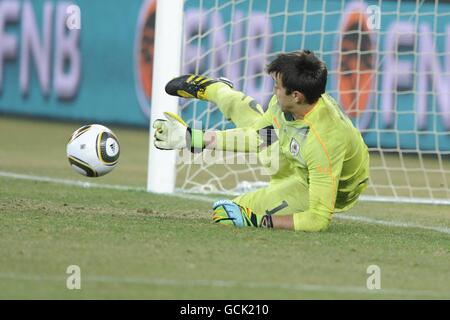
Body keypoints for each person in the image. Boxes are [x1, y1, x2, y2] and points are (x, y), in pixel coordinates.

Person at [153, 50, 369, 232]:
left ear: (296, 96)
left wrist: (258, 220)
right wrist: (191, 138)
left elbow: (318, 219)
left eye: (277, 86)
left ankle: (221, 91)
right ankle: (216, 89)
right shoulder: (287, 103)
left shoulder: (325, 141)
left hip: (311, 182)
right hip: (295, 156)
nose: (273, 91)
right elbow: (258, 137)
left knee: (229, 211)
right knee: (260, 126)